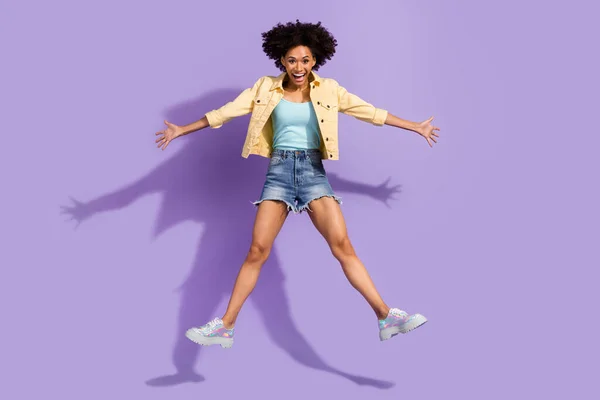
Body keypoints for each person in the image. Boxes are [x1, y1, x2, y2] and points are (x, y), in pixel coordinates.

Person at [155, 20, 440, 349]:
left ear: (315, 60)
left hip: (312, 173)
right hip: (278, 171)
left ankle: (386, 315)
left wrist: (415, 126)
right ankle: (226, 326)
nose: (299, 67)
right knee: (257, 251)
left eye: (305, 60)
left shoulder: (329, 90)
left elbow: (370, 113)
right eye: (292, 60)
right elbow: (226, 113)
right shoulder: (265, 88)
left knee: (343, 247)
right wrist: (182, 130)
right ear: (281, 61)